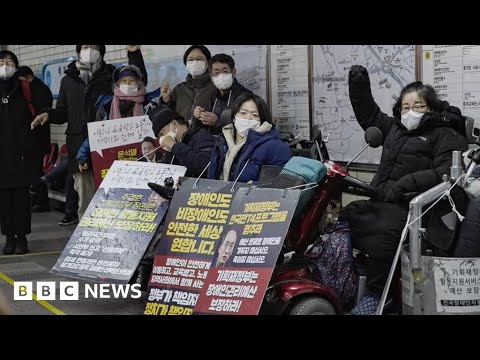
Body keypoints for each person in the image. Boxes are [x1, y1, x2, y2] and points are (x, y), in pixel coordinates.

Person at [343, 65, 468, 315]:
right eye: (405, 107)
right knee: (344, 219)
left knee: (383, 233)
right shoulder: (394, 129)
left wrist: (404, 185)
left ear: (430, 108)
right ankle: (345, 284)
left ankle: (378, 295)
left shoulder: (445, 134)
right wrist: (357, 83)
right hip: (382, 200)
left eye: (418, 106)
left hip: (415, 207)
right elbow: (368, 115)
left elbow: (446, 173)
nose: (410, 112)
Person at [31, 45, 147, 223]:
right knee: (85, 198)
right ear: (78, 50)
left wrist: (134, 54)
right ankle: (87, 233)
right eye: (85, 46)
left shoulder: (111, 75)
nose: (89, 50)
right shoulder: (68, 80)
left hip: (109, 147)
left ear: (101, 50)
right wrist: (48, 113)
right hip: (79, 148)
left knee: (112, 195)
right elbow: (62, 113)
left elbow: (137, 82)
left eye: (94, 46)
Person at [76, 64, 152, 173]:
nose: (127, 84)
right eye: (124, 81)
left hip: (142, 158)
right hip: (115, 159)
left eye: (132, 81)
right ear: (118, 84)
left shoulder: (148, 105)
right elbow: (97, 134)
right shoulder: (106, 106)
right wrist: (82, 156)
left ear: (138, 84)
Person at [208, 93, 292, 183]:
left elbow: (280, 185)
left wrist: (253, 187)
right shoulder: (223, 143)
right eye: (243, 113)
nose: (248, 118)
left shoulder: (277, 148)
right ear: (234, 118)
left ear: (263, 121)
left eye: (255, 115)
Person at [0, 50, 35, 254]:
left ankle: (22, 238)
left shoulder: (25, 88)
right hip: (1, 158)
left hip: (22, 154)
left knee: (21, 201)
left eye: (9, 61)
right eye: (1, 61)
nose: (5, 65)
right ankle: (9, 237)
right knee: (4, 202)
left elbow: (42, 108)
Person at [17, 66, 53, 213]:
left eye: (22, 81)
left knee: (36, 171)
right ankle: (38, 200)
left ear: (29, 78)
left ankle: (40, 201)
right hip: (37, 138)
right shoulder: (39, 88)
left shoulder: (39, 90)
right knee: (35, 170)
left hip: (37, 138)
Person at [193, 53, 252, 135]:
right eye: (216, 73)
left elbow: (247, 126)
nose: (221, 76)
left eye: (225, 71)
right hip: (214, 144)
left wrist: (217, 122)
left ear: (233, 72)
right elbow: (203, 127)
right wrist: (199, 116)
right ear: (211, 77)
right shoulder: (213, 96)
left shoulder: (245, 96)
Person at [149, 105, 215, 177]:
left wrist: (174, 146)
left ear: (174, 124)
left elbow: (204, 167)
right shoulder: (174, 147)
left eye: (162, 133)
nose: (162, 139)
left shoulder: (201, 136)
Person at [159, 45, 216, 125]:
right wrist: (166, 100)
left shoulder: (215, 87)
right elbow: (166, 115)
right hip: (181, 134)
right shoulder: (179, 89)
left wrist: (216, 121)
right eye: (191, 60)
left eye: (199, 59)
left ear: (208, 62)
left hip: (207, 135)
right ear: (186, 64)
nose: (194, 62)